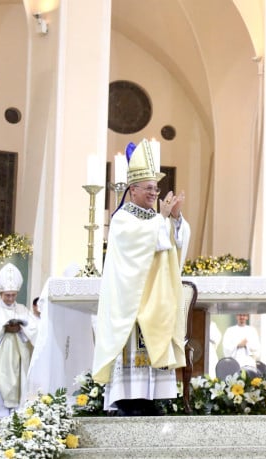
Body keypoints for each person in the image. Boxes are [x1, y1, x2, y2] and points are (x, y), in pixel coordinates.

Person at [91, 138, 190, 416]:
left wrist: (176, 219)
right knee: (133, 348)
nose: (154, 193)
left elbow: (173, 242)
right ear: (132, 190)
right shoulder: (123, 218)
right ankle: (127, 400)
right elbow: (148, 242)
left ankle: (150, 398)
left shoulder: (153, 217)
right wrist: (163, 218)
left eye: (156, 189)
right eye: (148, 188)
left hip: (154, 300)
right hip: (131, 301)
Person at [0, 263, 38, 417]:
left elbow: (36, 331)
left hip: (18, 363)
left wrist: (21, 329)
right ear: (0, 293)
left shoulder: (22, 310)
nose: (10, 298)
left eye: (13, 295)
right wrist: (3, 329)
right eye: (7, 295)